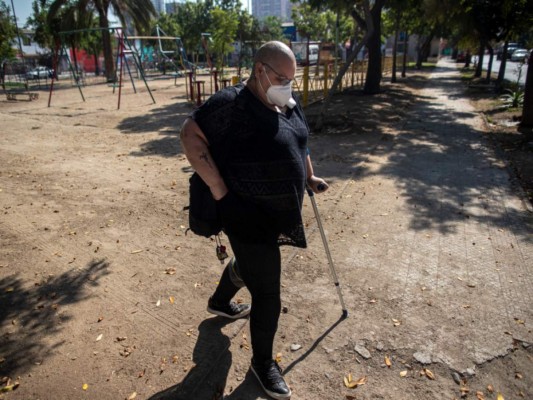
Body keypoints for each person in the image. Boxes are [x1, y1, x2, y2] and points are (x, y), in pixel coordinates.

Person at [180, 41, 328, 399]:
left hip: (278, 213)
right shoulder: (230, 105)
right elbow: (189, 133)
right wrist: (217, 187)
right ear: (259, 70)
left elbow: (301, 142)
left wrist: (308, 176)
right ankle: (263, 364)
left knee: (250, 265)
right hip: (244, 214)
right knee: (268, 293)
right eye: (281, 77)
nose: (287, 85)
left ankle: (219, 301)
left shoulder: (285, 103)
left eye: (292, 79)